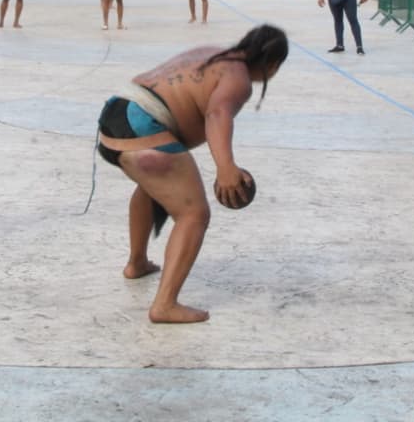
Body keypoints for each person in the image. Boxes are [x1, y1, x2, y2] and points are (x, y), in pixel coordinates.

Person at [95, 25, 289, 323]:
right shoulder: (238, 79)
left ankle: (137, 263)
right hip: (144, 125)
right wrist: (226, 168)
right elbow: (217, 113)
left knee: (154, 187)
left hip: (116, 112)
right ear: (272, 64)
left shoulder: (211, 53)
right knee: (194, 214)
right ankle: (165, 305)